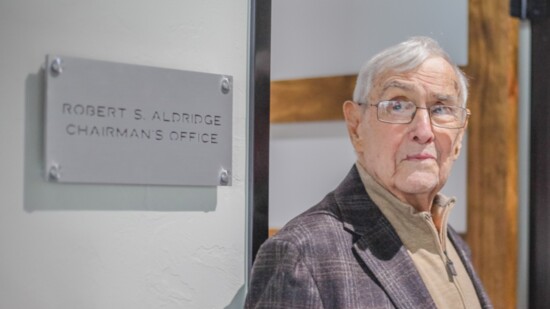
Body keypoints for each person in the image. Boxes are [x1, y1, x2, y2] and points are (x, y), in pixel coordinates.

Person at [245, 36, 492, 308]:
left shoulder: (453, 243)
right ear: (356, 127)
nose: (423, 131)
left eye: (441, 108)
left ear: (459, 137)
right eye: (398, 105)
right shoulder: (302, 254)